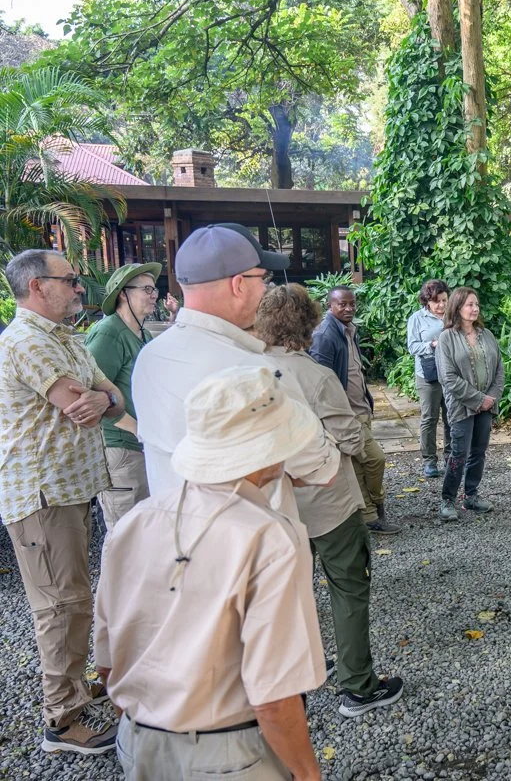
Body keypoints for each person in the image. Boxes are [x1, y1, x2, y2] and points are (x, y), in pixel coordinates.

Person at [96, 367, 329, 781]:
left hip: (137, 740)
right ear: (271, 448)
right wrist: (308, 773)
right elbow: (273, 696)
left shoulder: (133, 522)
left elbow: (108, 664)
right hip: (230, 754)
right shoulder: (268, 536)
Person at [256, 285, 404, 716]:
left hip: (273, 503)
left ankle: (290, 681)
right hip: (328, 502)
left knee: (284, 594)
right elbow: (351, 437)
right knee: (348, 588)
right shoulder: (314, 375)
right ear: (308, 324)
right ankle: (358, 685)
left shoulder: (249, 370)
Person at [0, 249, 125, 753]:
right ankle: (61, 721)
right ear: (36, 287)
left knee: (72, 598)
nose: (78, 288)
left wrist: (106, 398)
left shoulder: (65, 339)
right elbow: (80, 404)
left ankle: (73, 688)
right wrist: (101, 399)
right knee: (60, 604)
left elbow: (109, 398)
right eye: (69, 279)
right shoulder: (28, 341)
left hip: (70, 490)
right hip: (43, 495)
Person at [131, 223, 342, 522]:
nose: (267, 289)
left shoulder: (149, 357)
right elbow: (322, 468)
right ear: (238, 284)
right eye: (263, 278)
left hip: (177, 542)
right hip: (253, 550)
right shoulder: (258, 372)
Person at [311, 285, 400, 534]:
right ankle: (377, 503)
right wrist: (335, 415)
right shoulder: (325, 335)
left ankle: (369, 515)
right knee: (375, 459)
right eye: (343, 304)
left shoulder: (349, 330)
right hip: (346, 414)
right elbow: (321, 380)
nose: (349, 308)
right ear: (330, 305)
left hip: (360, 408)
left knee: (359, 465)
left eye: (352, 303)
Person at [84, 262, 160, 528]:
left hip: (144, 446)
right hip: (122, 448)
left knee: (147, 531)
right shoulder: (109, 332)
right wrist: (139, 431)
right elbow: (91, 395)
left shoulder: (145, 334)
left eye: (155, 289)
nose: (154, 294)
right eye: (147, 289)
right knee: (125, 534)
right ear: (122, 294)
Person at [435, 287, 504, 522]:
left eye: (476, 304)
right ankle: (447, 499)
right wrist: (478, 399)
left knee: (478, 452)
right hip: (462, 406)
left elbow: (499, 370)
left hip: (487, 406)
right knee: (459, 453)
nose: (474, 309)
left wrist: (491, 398)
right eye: (469, 305)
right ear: (457, 307)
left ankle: (471, 495)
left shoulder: (486, 335)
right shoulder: (446, 338)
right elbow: (448, 377)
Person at [406, 279, 451, 479]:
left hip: (451, 373)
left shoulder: (453, 315)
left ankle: (451, 458)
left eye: (444, 300)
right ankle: (429, 460)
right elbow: (412, 347)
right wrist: (432, 345)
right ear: (427, 302)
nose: (441, 305)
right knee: (429, 418)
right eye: (436, 302)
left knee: (452, 417)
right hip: (428, 374)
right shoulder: (417, 318)